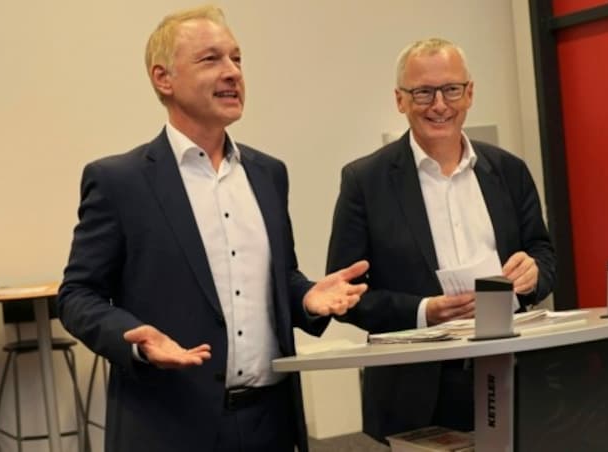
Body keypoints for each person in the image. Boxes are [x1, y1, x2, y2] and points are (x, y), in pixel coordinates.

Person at [58, 5, 368, 452]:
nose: (232, 73)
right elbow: (76, 295)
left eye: (237, 59)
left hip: (271, 422)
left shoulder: (268, 174)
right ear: (163, 78)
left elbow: (279, 279)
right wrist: (135, 341)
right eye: (211, 60)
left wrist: (306, 297)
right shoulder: (120, 181)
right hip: (170, 424)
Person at [326, 38, 556, 443]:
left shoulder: (509, 171)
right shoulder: (365, 182)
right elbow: (346, 294)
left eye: (451, 89)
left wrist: (534, 273)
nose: (439, 105)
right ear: (400, 100)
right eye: (423, 92)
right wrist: (424, 311)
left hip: (509, 367)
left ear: (469, 93)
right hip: (417, 387)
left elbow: (545, 256)